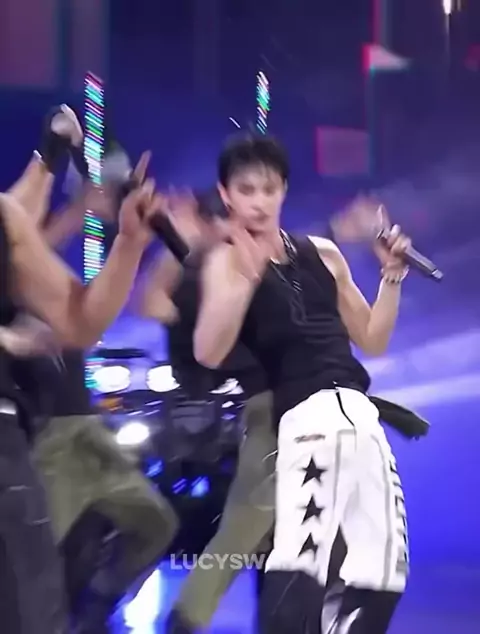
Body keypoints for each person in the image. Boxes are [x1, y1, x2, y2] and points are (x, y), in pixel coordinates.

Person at [193, 134, 410, 634]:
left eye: (268, 189)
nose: (258, 201)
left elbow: (372, 338)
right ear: (226, 195)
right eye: (246, 190)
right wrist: (246, 281)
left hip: (362, 420)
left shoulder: (324, 254)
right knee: (300, 569)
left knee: (383, 574)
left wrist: (392, 276)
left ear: (284, 190)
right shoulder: (226, 262)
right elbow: (208, 350)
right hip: (306, 421)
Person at [0, 104, 156, 634]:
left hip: (10, 445)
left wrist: (130, 242)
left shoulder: (8, 220)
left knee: (32, 612)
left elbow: (80, 320)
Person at [141, 189, 277, 633]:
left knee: (272, 530)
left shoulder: (248, 275)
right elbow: (150, 303)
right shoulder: (193, 277)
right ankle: (187, 617)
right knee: (249, 523)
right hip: (252, 411)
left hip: (271, 407)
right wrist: (176, 245)